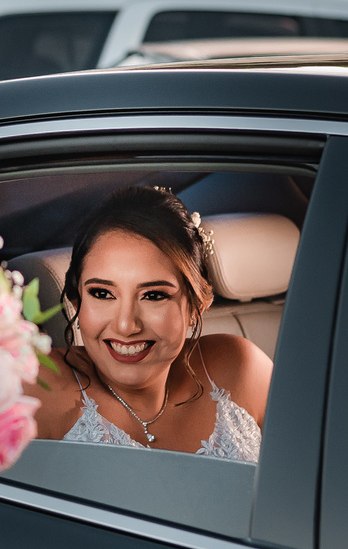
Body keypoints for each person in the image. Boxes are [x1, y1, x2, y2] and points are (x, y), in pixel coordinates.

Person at [33, 185, 271, 460]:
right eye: (102, 293)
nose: (126, 325)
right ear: (77, 300)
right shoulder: (39, 384)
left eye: (153, 295)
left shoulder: (242, 371)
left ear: (196, 306)